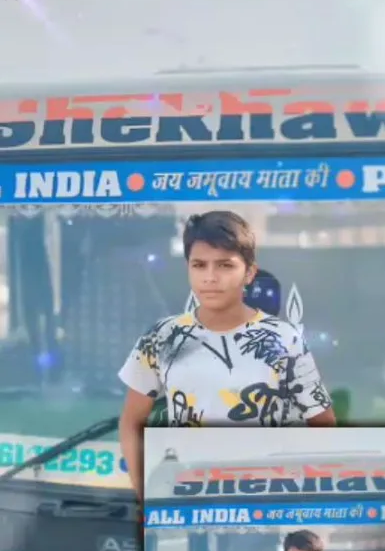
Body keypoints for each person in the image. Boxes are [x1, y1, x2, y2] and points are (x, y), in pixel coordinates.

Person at [118, 211, 336, 495]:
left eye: (224, 265)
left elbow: (323, 423)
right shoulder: (163, 337)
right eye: (199, 265)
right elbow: (132, 421)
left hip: (265, 500)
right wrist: (143, 491)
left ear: (249, 273)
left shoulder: (284, 338)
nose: (210, 277)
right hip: (188, 500)